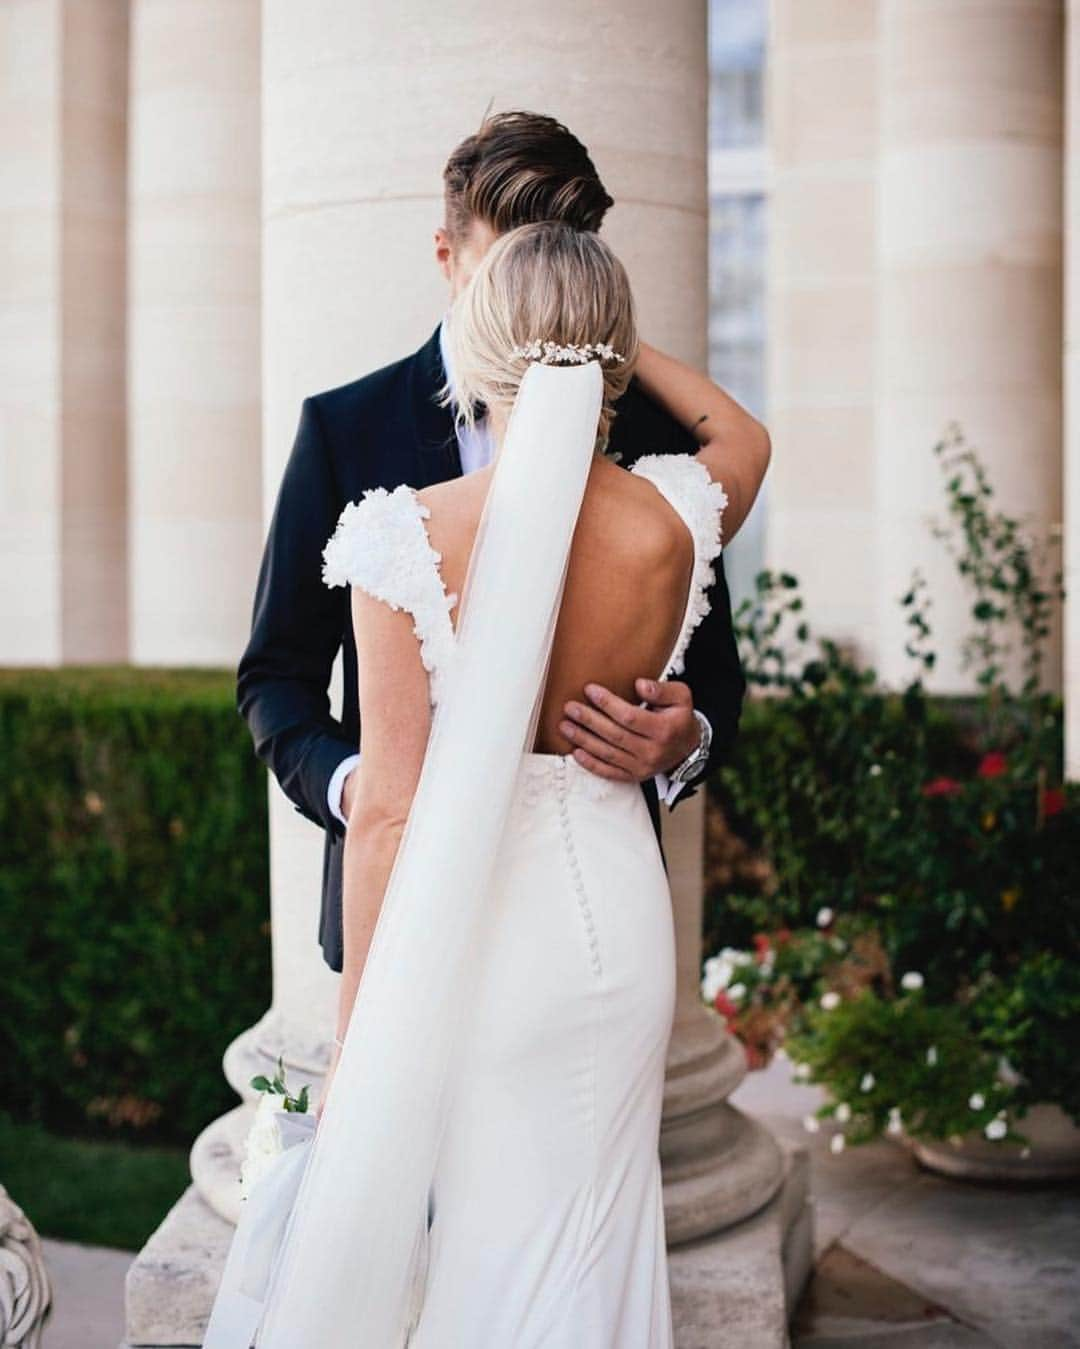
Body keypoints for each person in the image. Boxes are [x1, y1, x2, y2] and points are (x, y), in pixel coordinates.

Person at [245, 223, 769, 1347]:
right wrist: (602, 337)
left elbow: (385, 813)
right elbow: (746, 433)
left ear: (477, 348)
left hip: (481, 939)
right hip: (619, 921)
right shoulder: (677, 514)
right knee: (596, 1228)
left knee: (496, 1241)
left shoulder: (404, 537)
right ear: (614, 360)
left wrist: (356, 1042)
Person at [236, 111, 763, 977]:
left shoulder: (660, 439)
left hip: (590, 920)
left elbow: (718, 676)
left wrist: (687, 737)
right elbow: (275, 676)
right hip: (404, 905)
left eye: (547, 279)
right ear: (447, 258)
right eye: (501, 280)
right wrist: (354, 784)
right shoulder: (343, 429)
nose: (526, 317)